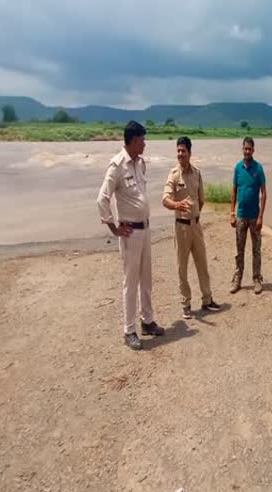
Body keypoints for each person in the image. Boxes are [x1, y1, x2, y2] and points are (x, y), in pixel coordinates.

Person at [97, 120, 165, 351]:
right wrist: (114, 228)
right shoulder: (117, 166)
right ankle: (129, 330)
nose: (145, 143)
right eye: (143, 140)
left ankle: (147, 321)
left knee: (146, 278)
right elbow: (102, 199)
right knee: (131, 282)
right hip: (129, 233)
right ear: (133, 141)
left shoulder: (140, 164)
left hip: (145, 229)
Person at [162, 136, 222, 319]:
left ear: (190, 153)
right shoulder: (173, 175)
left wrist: (195, 215)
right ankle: (186, 304)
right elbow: (165, 200)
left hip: (196, 226)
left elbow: (201, 200)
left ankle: (207, 299)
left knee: (202, 264)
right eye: (178, 151)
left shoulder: (197, 173)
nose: (180, 154)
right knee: (182, 267)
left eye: (183, 151)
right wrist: (177, 206)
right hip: (181, 228)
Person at [229, 137, 267, 294]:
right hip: (240, 216)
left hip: (254, 216)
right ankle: (237, 279)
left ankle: (257, 278)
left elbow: (264, 194)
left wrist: (261, 217)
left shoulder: (258, 169)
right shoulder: (238, 168)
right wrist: (232, 212)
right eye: (245, 149)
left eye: (249, 149)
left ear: (253, 150)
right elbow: (234, 191)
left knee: (256, 249)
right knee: (239, 250)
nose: (247, 151)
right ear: (242, 149)